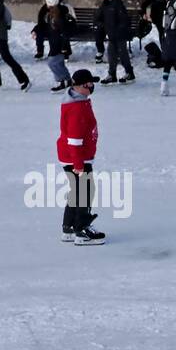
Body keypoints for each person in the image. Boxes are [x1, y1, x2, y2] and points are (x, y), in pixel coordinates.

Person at [57, 68, 105, 244]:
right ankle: (81, 230)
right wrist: (78, 164)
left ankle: (69, 227)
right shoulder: (76, 108)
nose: (92, 87)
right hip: (77, 156)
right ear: (79, 86)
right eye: (89, 84)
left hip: (76, 155)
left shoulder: (79, 101)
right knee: (85, 190)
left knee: (78, 191)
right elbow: (74, 139)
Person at [96, 0, 135, 84]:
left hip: (120, 34)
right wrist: (102, 25)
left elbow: (124, 19)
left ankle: (130, 73)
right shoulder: (104, 4)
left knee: (123, 54)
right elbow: (98, 18)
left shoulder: (117, 3)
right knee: (111, 54)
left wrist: (119, 30)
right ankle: (112, 75)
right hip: (111, 34)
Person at [43, 0, 74, 92]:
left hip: (58, 43)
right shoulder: (52, 13)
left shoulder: (58, 15)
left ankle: (64, 80)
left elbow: (64, 32)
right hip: (55, 41)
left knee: (52, 63)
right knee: (59, 63)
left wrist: (64, 47)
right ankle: (66, 81)